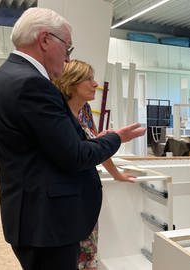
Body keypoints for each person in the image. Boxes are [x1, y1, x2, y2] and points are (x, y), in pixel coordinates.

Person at [0, 8, 145, 270]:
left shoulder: (8, 77)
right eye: (67, 48)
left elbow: (55, 147)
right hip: (47, 224)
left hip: (36, 218)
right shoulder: (31, 84)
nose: (67, 58)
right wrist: (116, 137)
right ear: (45, 40)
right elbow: (75, 156)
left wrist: (95, 142)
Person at [53, 59, 136, 269]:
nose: (95, 83)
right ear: (72, 83)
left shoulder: (85, 111)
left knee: (88, 256)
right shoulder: (56, 115)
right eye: (88, 79)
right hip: (66, 205)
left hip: (85, 201)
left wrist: (117, 174)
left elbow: (96, 148)